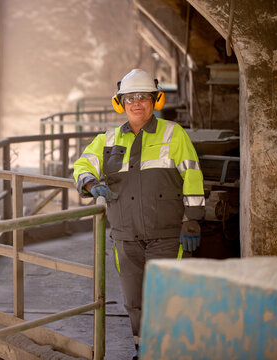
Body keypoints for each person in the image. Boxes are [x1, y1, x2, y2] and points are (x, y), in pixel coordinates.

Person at [73, 69, 205, 356]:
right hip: (126, 237)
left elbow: (192, 177)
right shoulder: (107, 140)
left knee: (167, 297)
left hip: (167, 235)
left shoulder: (174, 134)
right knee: (134, 301)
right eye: (129, 98)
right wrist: (91, 183)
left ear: (155, 100)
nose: (136, 103)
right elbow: (82, 166)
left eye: (143, 97)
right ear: (120, 103)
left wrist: (192, 221)